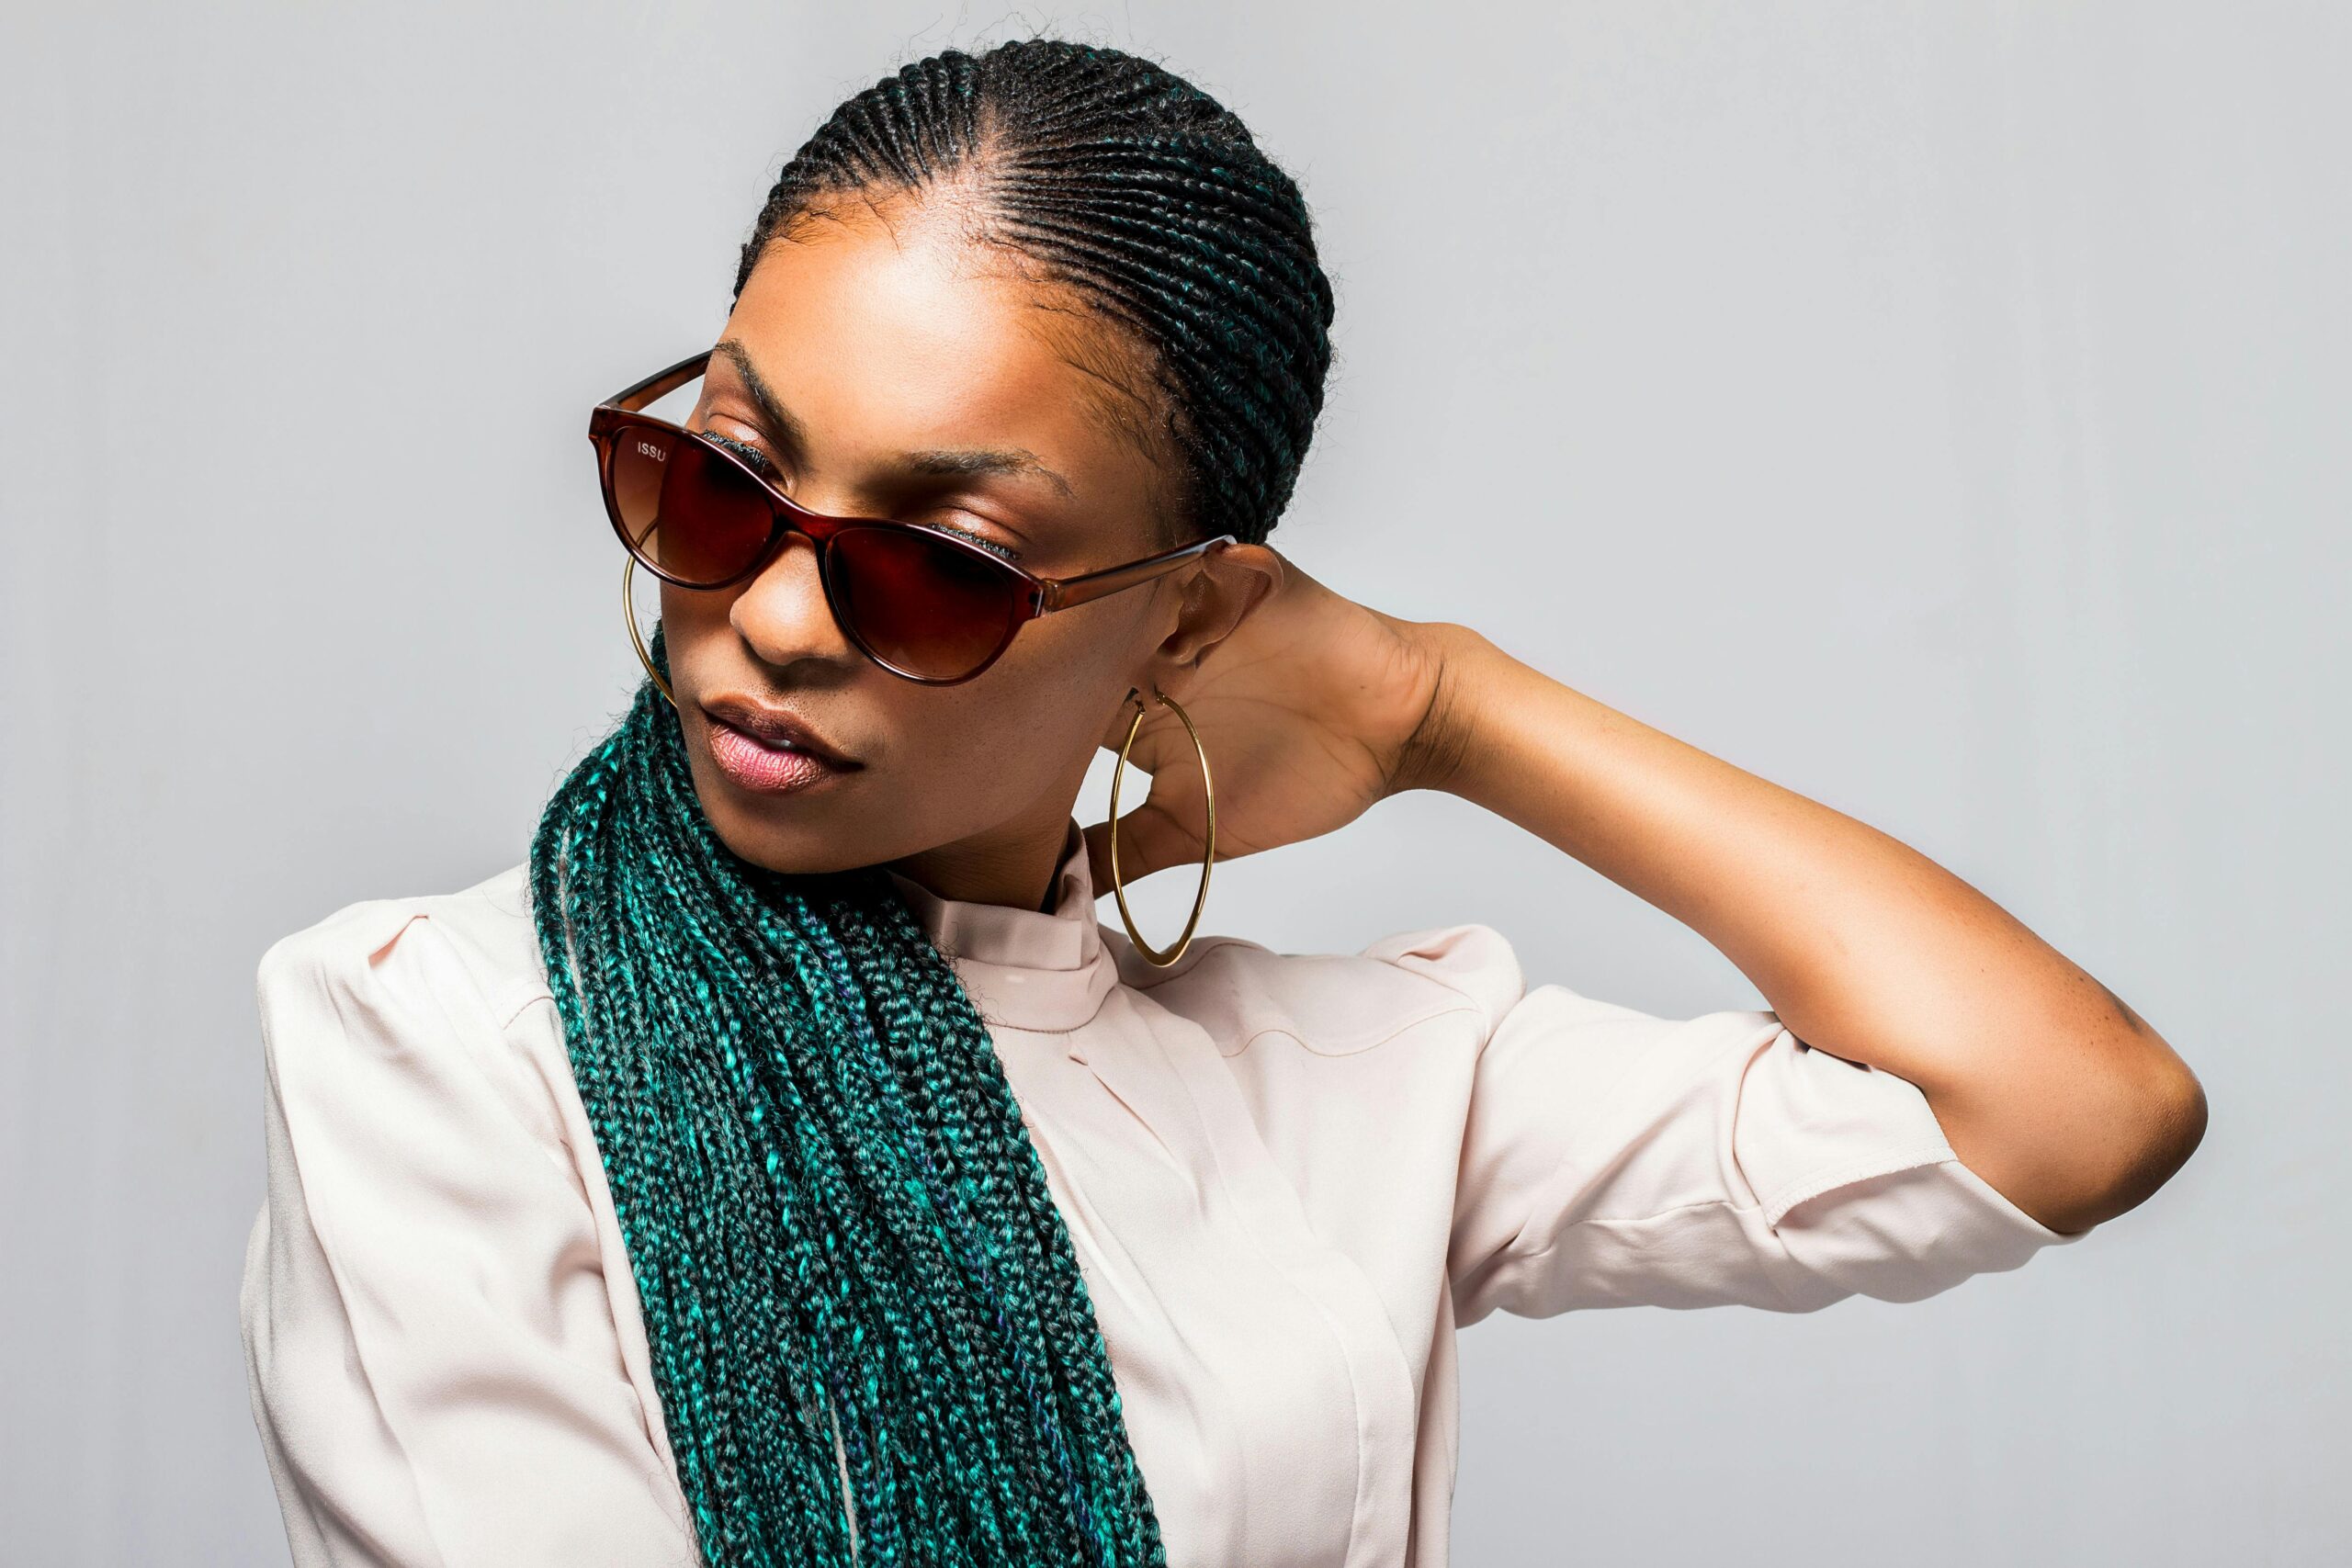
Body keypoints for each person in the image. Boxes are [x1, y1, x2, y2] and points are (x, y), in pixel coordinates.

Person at [235, 37, 2206, 1568]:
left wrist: (1446, 701)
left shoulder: (1359, 1077)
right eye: (725, 479)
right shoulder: (441, 1037)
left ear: (1188, 608)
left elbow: (2066, 1107)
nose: (765, 616)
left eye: (933, 560)